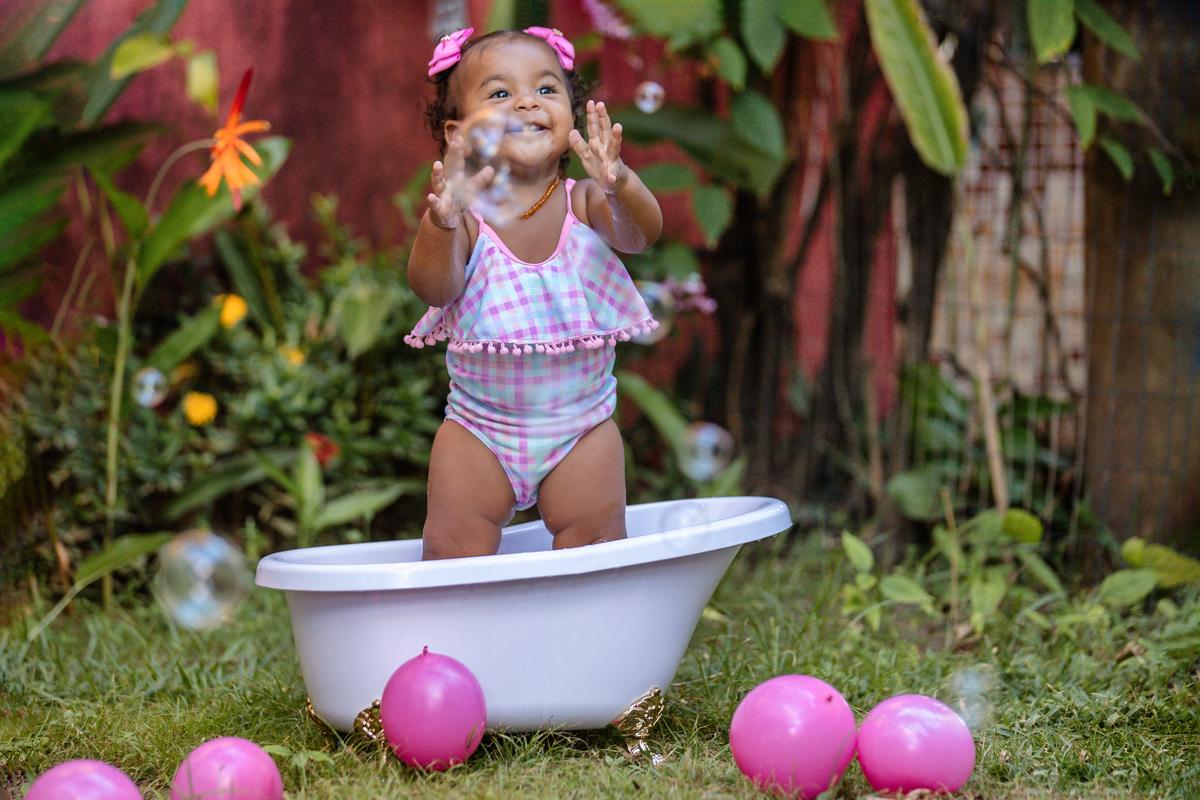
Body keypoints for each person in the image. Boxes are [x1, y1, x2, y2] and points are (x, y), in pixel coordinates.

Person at [405, 26, 663, 560]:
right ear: (458, 136)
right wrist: (441, 226)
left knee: (595, 547)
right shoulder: (470, 220)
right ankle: (456, 638)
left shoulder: (588, 203)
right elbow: (435, 286)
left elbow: (641, 236)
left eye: (547, 90)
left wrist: (621, 183)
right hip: (479, 431)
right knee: (452, 550)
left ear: (570, 111)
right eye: (500, 94)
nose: (526, 101)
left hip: (581, 429)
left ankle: (581, 636)